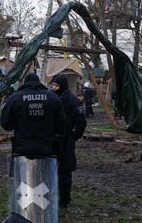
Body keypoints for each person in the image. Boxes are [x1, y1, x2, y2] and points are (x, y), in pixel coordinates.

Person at [1, 73, 68, 157]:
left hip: (22, 148)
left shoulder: (15, 98)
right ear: (38, 82)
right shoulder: (53, 98)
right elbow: (62, 124)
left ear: (25, 83)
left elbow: (6, 125)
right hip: (47, 148)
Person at [50, 74, 87, 209]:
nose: (54, 88)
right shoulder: (51, 98)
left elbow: (81, 122)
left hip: (66, 140)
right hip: (52, 139)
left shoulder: (73, 101)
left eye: (56, 86)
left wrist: (73, 137)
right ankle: (48, 197)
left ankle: (64, 200)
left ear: (62, 86)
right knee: (48, 169)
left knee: (65, 172)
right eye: (53, 85)